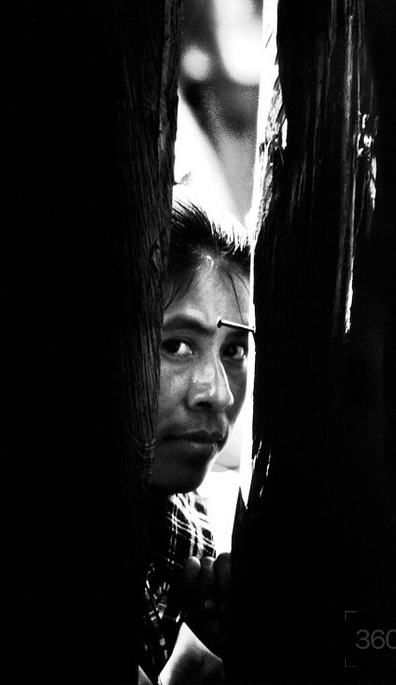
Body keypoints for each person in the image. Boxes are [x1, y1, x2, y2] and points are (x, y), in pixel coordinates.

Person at [139, 185, 251, 684]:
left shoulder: (189, 528)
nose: (219, 394)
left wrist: (200, 650)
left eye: (234, 351)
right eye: (177, 346)